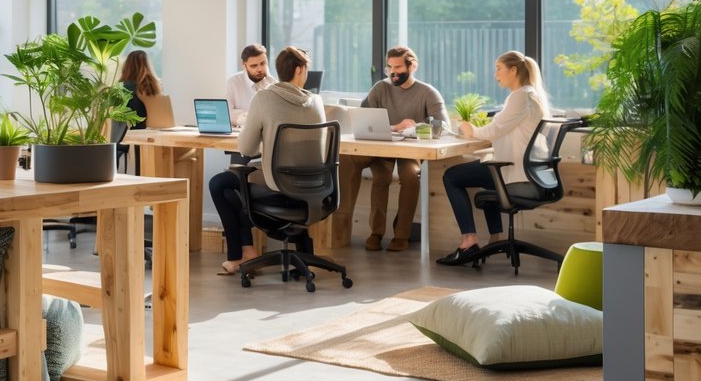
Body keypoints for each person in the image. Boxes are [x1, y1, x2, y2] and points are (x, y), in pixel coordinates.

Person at [214, 46, 325, 275]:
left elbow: (246, 148)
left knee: (220, 185)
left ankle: (237, 256)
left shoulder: (263, 98)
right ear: (300, 70)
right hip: (316, 186)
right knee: (234, 186)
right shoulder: (316, 101)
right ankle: (251, 251)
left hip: (279, 185)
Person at [437, 50, 553, 266]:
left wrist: (469, 129)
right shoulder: (532, 95)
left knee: (451, 176)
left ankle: (469, 241)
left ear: (513, 70)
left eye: (499, 69)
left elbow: (492, 131)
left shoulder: (519, 97)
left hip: (518, 177)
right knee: (486, 172)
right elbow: (504, 130)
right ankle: (495, 238)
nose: (495, 74)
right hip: (531, 175)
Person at [336, 46, 450, 253]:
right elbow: (363, 119)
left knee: (410, 177)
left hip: (411, 150)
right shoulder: (380, 88)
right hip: (382, 148)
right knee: (380, 177)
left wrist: (415, 127)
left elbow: (444, 127)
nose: (393, 72)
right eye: (390, 67)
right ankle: (375, 233)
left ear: (412, 66)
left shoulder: (427, 92)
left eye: (398, 67)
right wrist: (396, 127)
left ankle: (401, 235)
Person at [225, 44, 276, 126]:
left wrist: (242, 114)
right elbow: (227, 114)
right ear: (244, 66)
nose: (259, 69)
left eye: (263, 63)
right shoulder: (232, 83)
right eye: (254, 66)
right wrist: (255, 117)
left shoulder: (273, 84)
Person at [120, 49, 161, 129]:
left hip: (132, 130)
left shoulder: (125, 87)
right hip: (153, 128)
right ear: (147, 65)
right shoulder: (153, 85)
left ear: (128, 66)